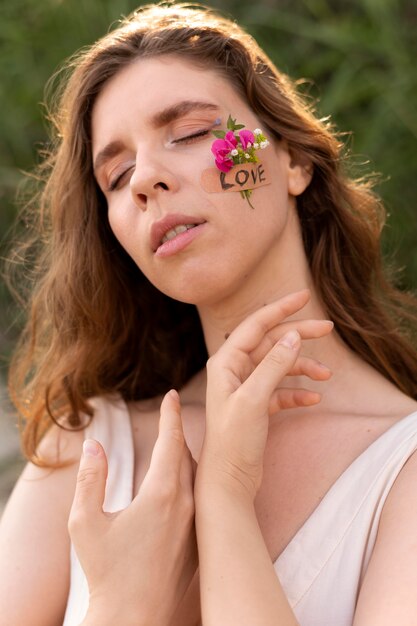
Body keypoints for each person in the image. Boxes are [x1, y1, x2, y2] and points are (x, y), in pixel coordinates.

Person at [1, 3, 417, 625]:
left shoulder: (401, 471)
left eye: (192, 133)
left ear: (294, 160)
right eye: (115, 175)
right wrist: (121, 605)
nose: (144, 178)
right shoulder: (87, 446)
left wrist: (225, 491)